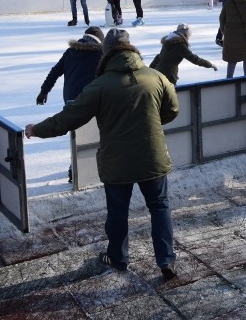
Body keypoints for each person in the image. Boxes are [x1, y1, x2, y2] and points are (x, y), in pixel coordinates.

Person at [25, 28, 180, 280]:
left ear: (106, 53)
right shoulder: (156, 77)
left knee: (118, 212)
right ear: (131, 48)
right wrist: (150, 123)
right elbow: (172, 110)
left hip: (117, 161)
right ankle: (166, 260)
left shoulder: (100, 85)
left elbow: (68, 118)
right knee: (160, 207)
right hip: (153, 157)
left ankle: (118, 257)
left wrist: (37, 129)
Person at [36, 26, 105, 183]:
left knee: (76, 135)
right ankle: (84, 169)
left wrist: (44, 91)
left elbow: (55, 72)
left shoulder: (70, 52)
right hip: (90, 100)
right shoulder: (100, 54)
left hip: (70, 99)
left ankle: (73, 169)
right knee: (95, 134)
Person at [149, 23, 218, 85]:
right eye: (188, 36)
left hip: (160, 72)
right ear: (186, 35)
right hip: (168, 76)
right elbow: (194, 59)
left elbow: (159, 57)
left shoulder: (169, 41)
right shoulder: (179, 45)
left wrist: (150, 69)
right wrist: (210, 65)